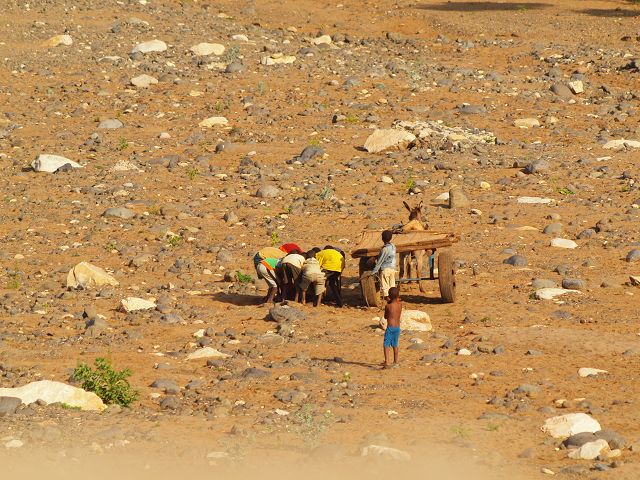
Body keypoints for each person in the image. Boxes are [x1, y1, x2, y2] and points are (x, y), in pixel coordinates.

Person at [371, 230, 396, 300]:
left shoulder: (384, 250)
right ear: (391, 238)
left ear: (382, 239)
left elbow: (380, 262)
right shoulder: (393, 246)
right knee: (392, 285)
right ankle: (393, 297)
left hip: (385, 270)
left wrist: (374, 272)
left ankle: (388, 299)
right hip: (392, 269)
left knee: (385, 287)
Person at [382, 287, 402, 369]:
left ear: (389, 296)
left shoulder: (388, 306)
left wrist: (388, 302)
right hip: (397, 328)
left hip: (390, 328)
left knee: (386, 344)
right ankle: (396, 362)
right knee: (395, 344)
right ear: (398, 296)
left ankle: (387, 361)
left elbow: (385, 316)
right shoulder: (400, 305)